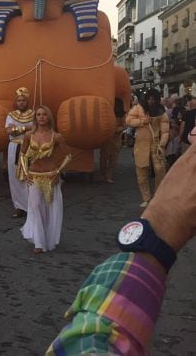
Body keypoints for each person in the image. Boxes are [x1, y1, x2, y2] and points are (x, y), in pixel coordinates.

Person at [47, 141, 196, 355]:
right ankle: (147, 196)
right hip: (145, 155)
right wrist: (161, 224)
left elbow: (86, 344)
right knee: (143, 173)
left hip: (155, 151)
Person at [19, 106, 71, 253]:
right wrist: (25, 171)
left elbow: (68, 156)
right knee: (35, 207)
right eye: (39, 115)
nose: (41, 117)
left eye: (44, 115)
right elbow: (22, 154)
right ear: (35, 117)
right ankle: (39, 242)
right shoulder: (29, 135)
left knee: (50, 208)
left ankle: (47, 239)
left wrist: (58, 172)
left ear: (49, 117)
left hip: (50, 176)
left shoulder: (57, 137)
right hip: (34, 175)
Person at [126, 89, 169, 208]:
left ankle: (158, 197)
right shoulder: (139, 108)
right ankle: (146, 198)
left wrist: (162, 144)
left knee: (160, 169)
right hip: (141, 143)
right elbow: (128, 120)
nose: (151, 101)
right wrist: (141, 121)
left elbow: (165, 131)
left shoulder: (161, 112)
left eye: (153, 99)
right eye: (149, 99)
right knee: (141, 171)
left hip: (156, 144)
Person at [5, 87, 34, 217]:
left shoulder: (34, 114)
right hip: (14, 148)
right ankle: (19, 206)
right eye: (19, 100)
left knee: (30, 177)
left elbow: (36, 130)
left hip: (30, 148)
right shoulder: (11, 115)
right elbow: (9, 131)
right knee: (14, 177)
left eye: (23, 100)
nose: (21, 102)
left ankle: (32, 206)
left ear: (27, 101)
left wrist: (17, 129)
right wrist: (26, 128)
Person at [97, 97, 126, 183]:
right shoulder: (107, 112)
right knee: (103, 159)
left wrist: (116, 130)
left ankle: (109, 176)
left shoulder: (122, 115)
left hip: (116, 140)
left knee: (113, 160)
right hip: (106, 140)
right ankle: (103, 175)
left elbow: (124, 125)